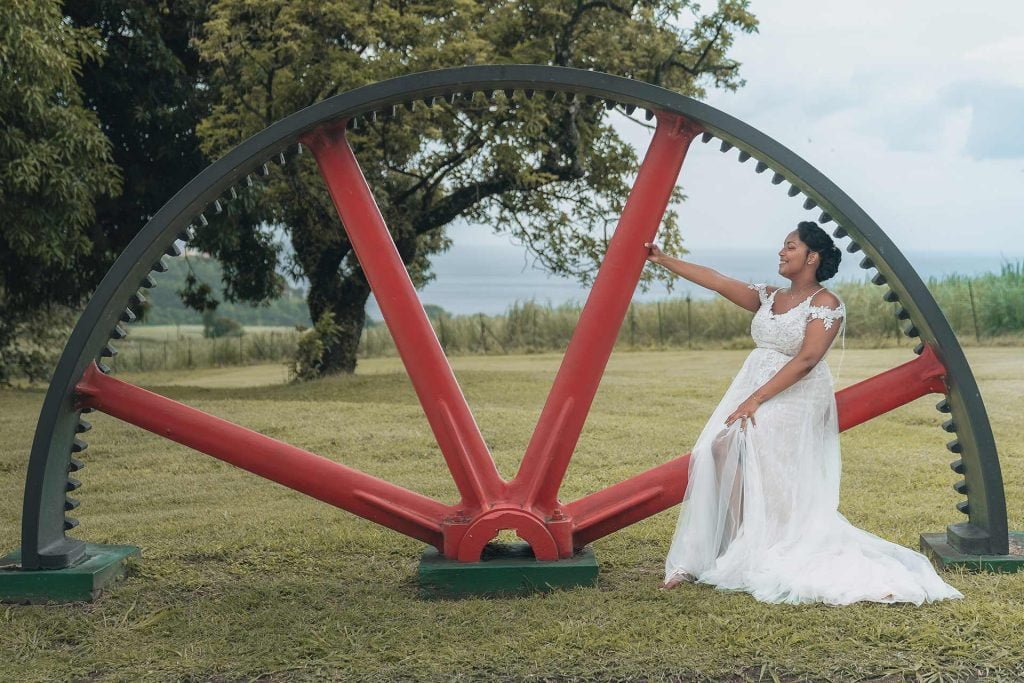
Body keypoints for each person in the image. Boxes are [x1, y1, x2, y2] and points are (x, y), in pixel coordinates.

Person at [644, 221, 963, 605]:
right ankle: (735, 542)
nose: (781, 252)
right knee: (717, 449)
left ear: (812, 257)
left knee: (753, 449)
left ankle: (761, 543)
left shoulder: (825, 304)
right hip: (754, 386)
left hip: (794, 395)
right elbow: (716, 280)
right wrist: (663, 260)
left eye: (790, 246)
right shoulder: (769, 297)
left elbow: (809, 359)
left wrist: (757, 400)